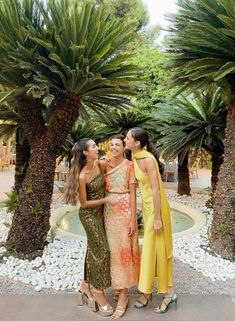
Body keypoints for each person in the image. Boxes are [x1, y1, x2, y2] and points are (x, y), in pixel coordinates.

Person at [124, 127, 177, 314]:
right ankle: (146, 292)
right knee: (149, 249)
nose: (125, 139)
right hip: (148, 209)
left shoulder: (147, 159)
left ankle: (168, 293)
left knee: (159, 251)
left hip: (157, 210)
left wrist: (156, 218)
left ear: (136, 143)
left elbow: (156, 189)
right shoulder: (135, 157)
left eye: (127, 138)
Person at [65, 138, 114, 317]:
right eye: (93, 146)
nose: (97, 148)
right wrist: (106, 200)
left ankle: (84, 287)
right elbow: (84, 204)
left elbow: (112, 169)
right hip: (89, 216)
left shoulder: (99, 164)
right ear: (85, 152)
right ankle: (99, 293)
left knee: (92, 249)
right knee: (102, 251)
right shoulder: (82, 176)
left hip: (101, 213)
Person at [100, 134, 140, 319]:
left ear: (124, 147)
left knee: (124, 253)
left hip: (124, 211)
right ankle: (118, 285)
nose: (114, 147)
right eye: (112, 145)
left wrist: (133, 219)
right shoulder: (104, 164)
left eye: (118, 144)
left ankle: (123, 296)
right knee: (112, 251)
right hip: (108, 211)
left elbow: (133, 194)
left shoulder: (130, 166)